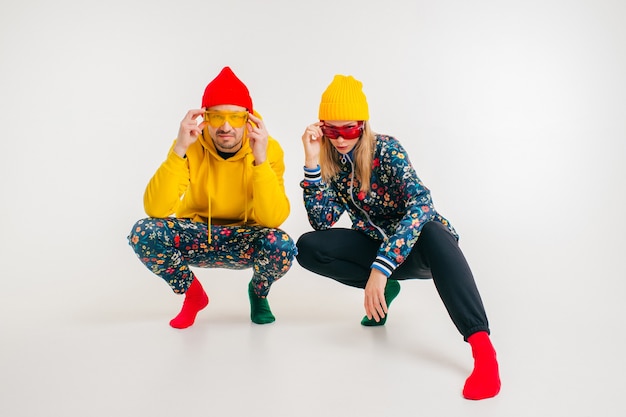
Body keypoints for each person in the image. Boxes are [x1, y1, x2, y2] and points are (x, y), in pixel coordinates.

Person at [296, 74, 501, 400]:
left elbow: (422, 204)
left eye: (347, 128)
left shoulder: (387, 150)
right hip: (375, 247)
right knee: (308, 247)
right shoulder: (332, 160)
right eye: (330, 130)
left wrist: (381, 266)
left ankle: (483, 350)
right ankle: (387, 288)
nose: (339, 138)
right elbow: (322, 221)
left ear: (362, 124)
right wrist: (311, 162)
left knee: (434, 228)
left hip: (420, 250)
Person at [128, 66, 296, 329]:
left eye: (235, 118)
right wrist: (180, 149)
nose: (226, 126)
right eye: (217, 117)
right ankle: (194, 296)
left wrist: (260, 160)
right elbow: (155, 208)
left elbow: (273, 218)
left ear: (249, 120)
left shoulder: (268, 149)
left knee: (283, 246)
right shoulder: (189, 145)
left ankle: (259, 293)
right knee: (143, 232)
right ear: (204, 117)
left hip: (245, 237)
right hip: (197, 235)